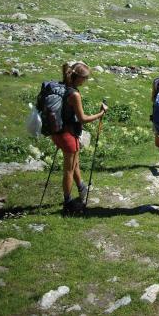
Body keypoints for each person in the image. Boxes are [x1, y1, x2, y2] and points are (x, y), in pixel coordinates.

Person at [51, 62, 107, 212]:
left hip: (56, 132)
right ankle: (68, 203)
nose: (86, 81)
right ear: (79, 78)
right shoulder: (74, 94)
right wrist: (100, 114)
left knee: (75, 163)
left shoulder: (61, 87)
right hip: (68, 134)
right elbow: (82, 118)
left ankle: (81, 187)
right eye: (86, 78)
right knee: (68, 169)